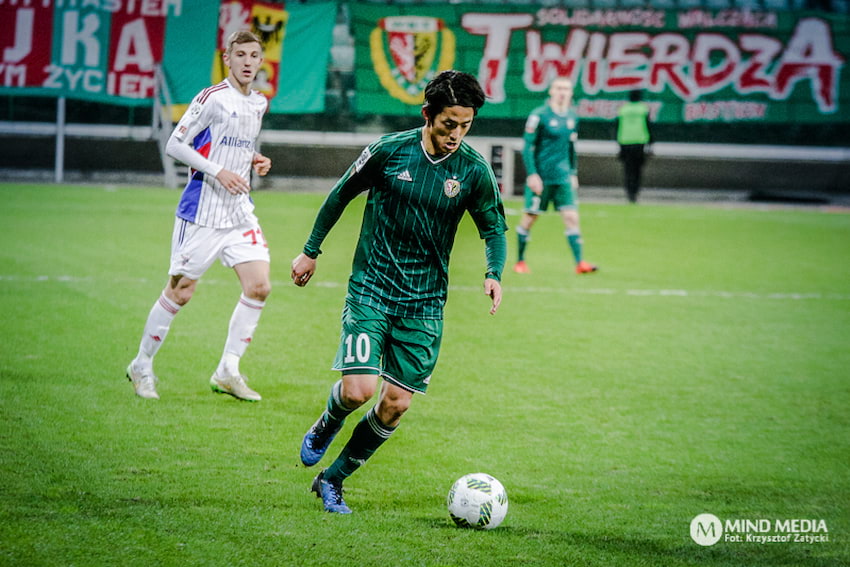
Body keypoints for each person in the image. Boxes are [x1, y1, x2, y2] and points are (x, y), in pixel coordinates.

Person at [290, 70, 508, 514]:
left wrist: (494, 272)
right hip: (372, 287)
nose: (456, 134)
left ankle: (332, 479)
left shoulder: (473, 170)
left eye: (466, 125)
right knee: (357, 392)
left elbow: (494, 229)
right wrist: (310, 251)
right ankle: (328, 421)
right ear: (428, 114)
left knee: (395, 403)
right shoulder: (389, 152)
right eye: (449, 123)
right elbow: (340, 195)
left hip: (425, 303)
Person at [126, 31, 272, 402]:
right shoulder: (212, 98)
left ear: (260, 61)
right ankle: (141, 364)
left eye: (254, 55)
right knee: (181, 291)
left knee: (259, 286)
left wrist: (253, 159)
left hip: (238, 211)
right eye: (240, 54)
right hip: (203, 208)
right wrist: (217, 170)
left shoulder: (259, 103)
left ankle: (228, 370)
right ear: (228, 58)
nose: (247, 61)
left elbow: (235, 143)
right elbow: (176, 143)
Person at [513, 77, 597, 276]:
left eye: (566, 89)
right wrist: (532, 174)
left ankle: (579, 263)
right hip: (541, 178)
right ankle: (520, 261)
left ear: (570, 93)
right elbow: (527, 147)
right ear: (551, 91)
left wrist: (573, 172)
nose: (562, 92)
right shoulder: (539, 115)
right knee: (529, 218)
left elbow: (571, 147)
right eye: (559, 88)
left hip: (563, 177)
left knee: (571, 217)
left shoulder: (572, 117)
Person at [616, 89, 652, 203]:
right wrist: (651, 142)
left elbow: (617, 126)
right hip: (639, 142)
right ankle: (635, 191)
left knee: (628, 169)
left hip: (625, 141)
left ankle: (629, 191)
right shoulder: (643, 109)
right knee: (637, 169)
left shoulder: (623, 109)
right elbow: (649, 125)